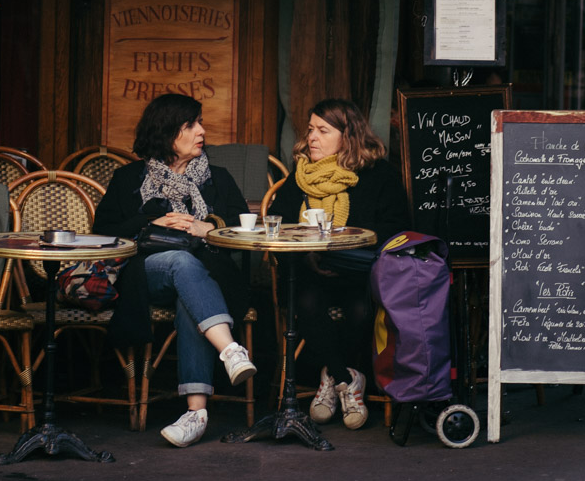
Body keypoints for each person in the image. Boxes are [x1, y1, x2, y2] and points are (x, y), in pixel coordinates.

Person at [94, 94, 257, 448]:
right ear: (167, 132)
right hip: (145, 275)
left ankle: (195, 414)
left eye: (200, 123)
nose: (202, 131)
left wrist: (207, 228)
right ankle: (230, 350)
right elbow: (103, 232)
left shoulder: (219, 178)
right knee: (182, 262)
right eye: (191, 125)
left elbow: (241, 230)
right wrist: (150, 220)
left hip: (207, 277)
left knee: (190, 292)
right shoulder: (129, 179)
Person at [270, 96, 409, 429]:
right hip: (309, 274)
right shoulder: (300, 177)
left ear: (348, 136)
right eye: (310, 129)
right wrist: (310, 257)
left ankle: (330, 379)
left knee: (362, 308)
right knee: (305, 299)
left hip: (361, 273)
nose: (311, 138)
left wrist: (345, 247)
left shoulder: (379, 176)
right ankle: (347, 380)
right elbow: (279, 233)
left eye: (322, 130)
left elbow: (396, 230)